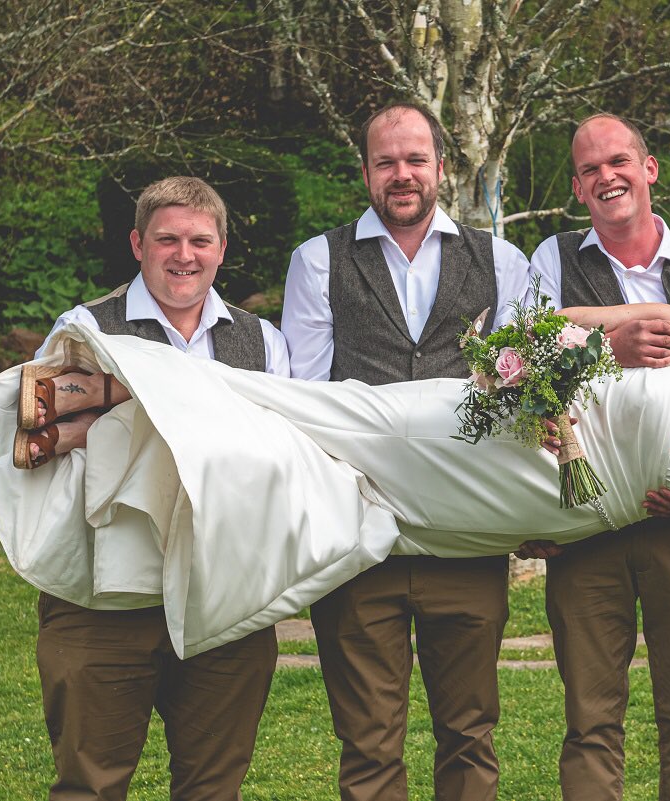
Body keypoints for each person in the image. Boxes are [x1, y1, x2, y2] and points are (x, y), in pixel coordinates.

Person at [0, 285, 670, 669]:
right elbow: (523, 332)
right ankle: (89, 394)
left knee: (329, 499)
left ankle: (124, 448)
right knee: (316, 411)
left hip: (517, 513)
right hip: (482, 433)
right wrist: (597, 351)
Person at [0, 176, 290, 801]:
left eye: (199, 241)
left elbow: (283, 455)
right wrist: (150, 394)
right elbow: (31, 425)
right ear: (137, 243)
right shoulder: (85, 328)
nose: (184, 255)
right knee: (90, 787)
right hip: (103, 603)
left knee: (214, 788)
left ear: (223, 248)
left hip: (223, 598)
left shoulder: (263, 341)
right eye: (167, 239)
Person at [279, 102, 531, 801]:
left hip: (467, 539)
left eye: (416, 159)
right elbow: (307, 401)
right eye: (386, 161)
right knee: (367, 746)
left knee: (470, 735)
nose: (402, 174)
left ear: (441, 169)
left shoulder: (499, 260)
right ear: (365, 170)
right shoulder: (317, 260)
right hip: (359, 541)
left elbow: (520, 396)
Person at [523, 112, 670, 801]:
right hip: (587, 527)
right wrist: (608, 348)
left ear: (649, 169)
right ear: (577, 188)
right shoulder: (550, 262)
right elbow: (518, 364)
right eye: (590, 170)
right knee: (590, 721)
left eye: (618, 161)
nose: (606, 177)